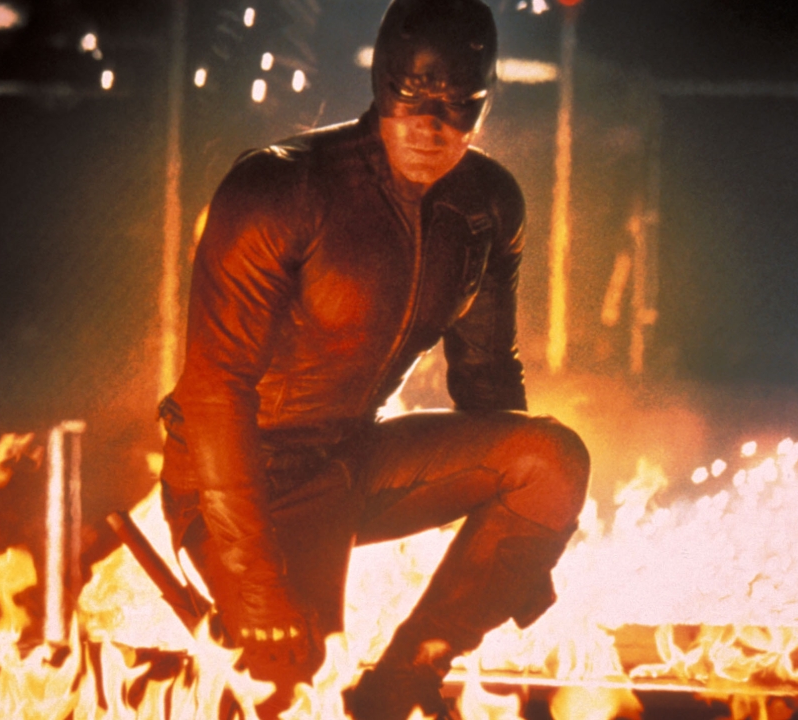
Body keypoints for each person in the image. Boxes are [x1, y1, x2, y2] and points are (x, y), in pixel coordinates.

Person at [158, 0, 590, 717]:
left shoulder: (487, 206)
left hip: (353, 461)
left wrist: (520, 541)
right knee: (294, 684)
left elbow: (488, 382)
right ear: (381, 81)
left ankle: (403, 682)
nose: (431, 126)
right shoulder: (281, 188)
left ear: (485, 99)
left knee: (550, 463)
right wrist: (255, 579)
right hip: (238, 477)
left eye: (457, 103)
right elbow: (214, 389)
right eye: (411, 96)